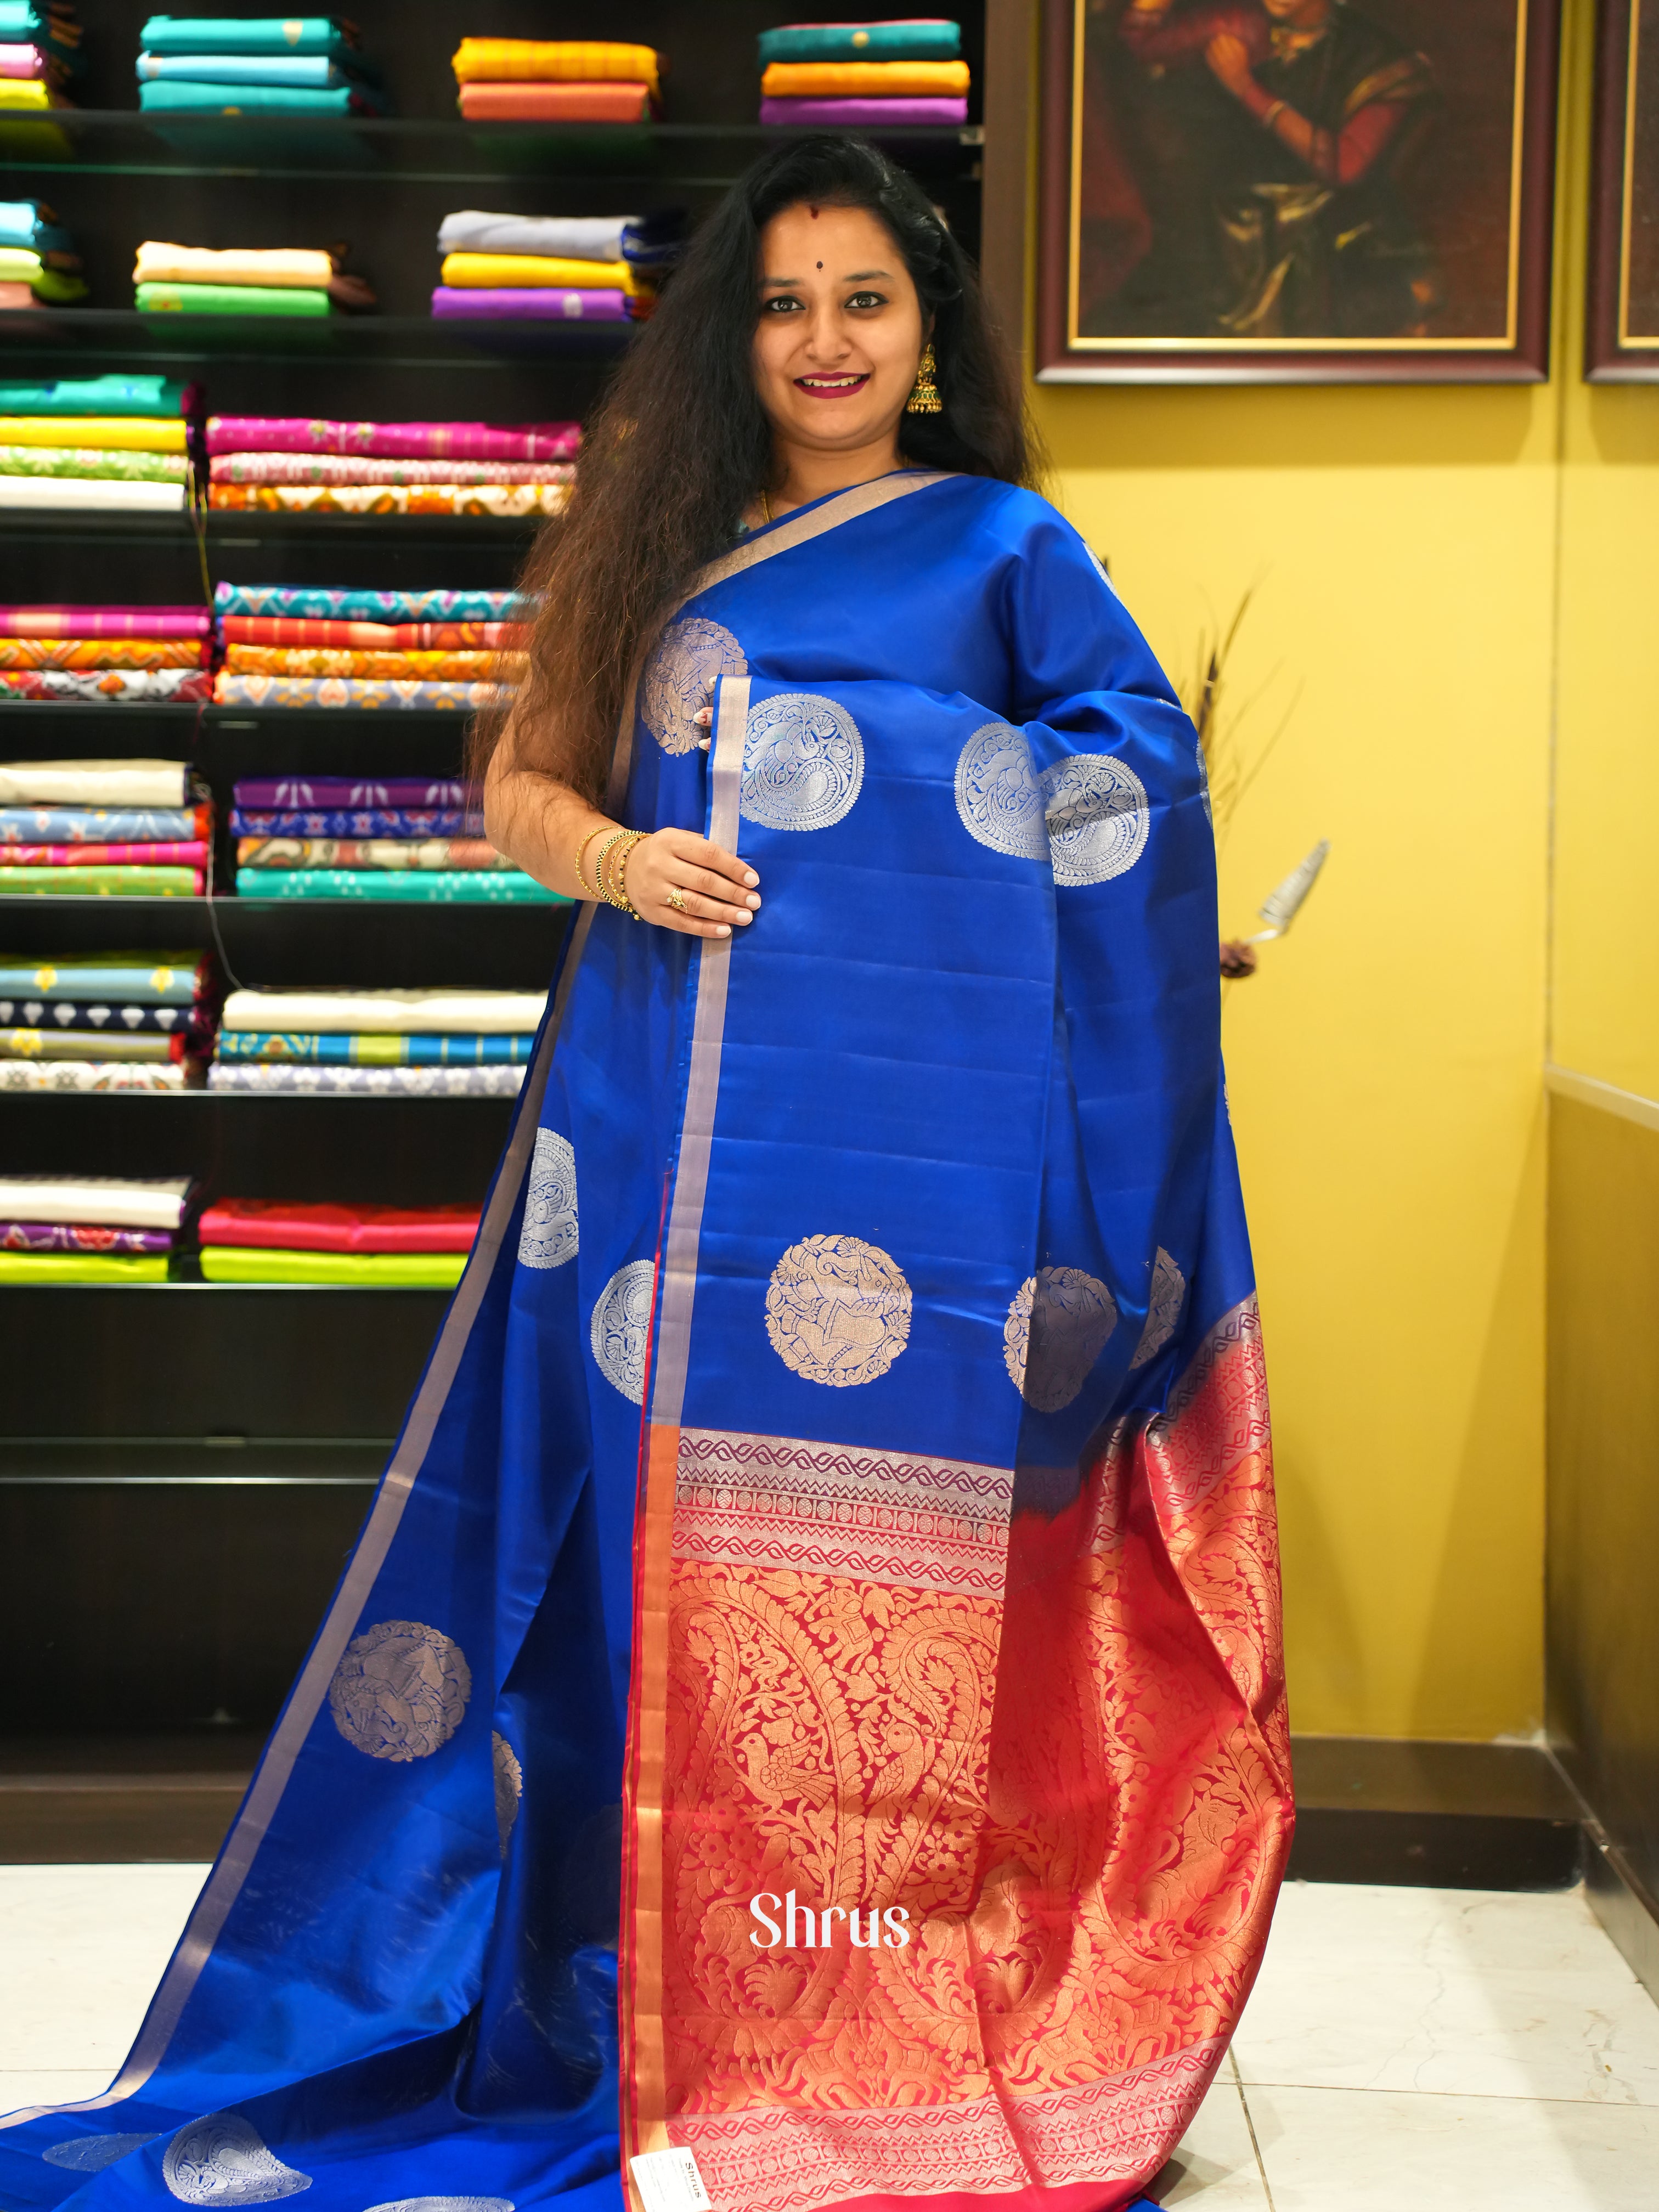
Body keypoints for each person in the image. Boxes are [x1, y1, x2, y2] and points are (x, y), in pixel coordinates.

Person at [0, 138, 1290, 2212]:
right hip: (655, 1154)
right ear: (728, 332)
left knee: (882, 1595)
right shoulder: (650, 534)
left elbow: (1127, 785)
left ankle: (850, 2001)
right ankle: (629, 1989)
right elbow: (519, 777)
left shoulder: (1001, 545)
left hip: (911, 1186)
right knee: (628, 1568)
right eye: (780, 303)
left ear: (925, 328)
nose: (820, 341)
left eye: (862, 298)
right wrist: (620, 855)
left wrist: (978, 858)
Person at [1115, 0, 1438, 338]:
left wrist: (1246, 89)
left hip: (1332, 234)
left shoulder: (1378, 57)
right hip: (1232, 225)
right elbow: (1141, 43)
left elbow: (1344, 165)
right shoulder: (1239, 23)